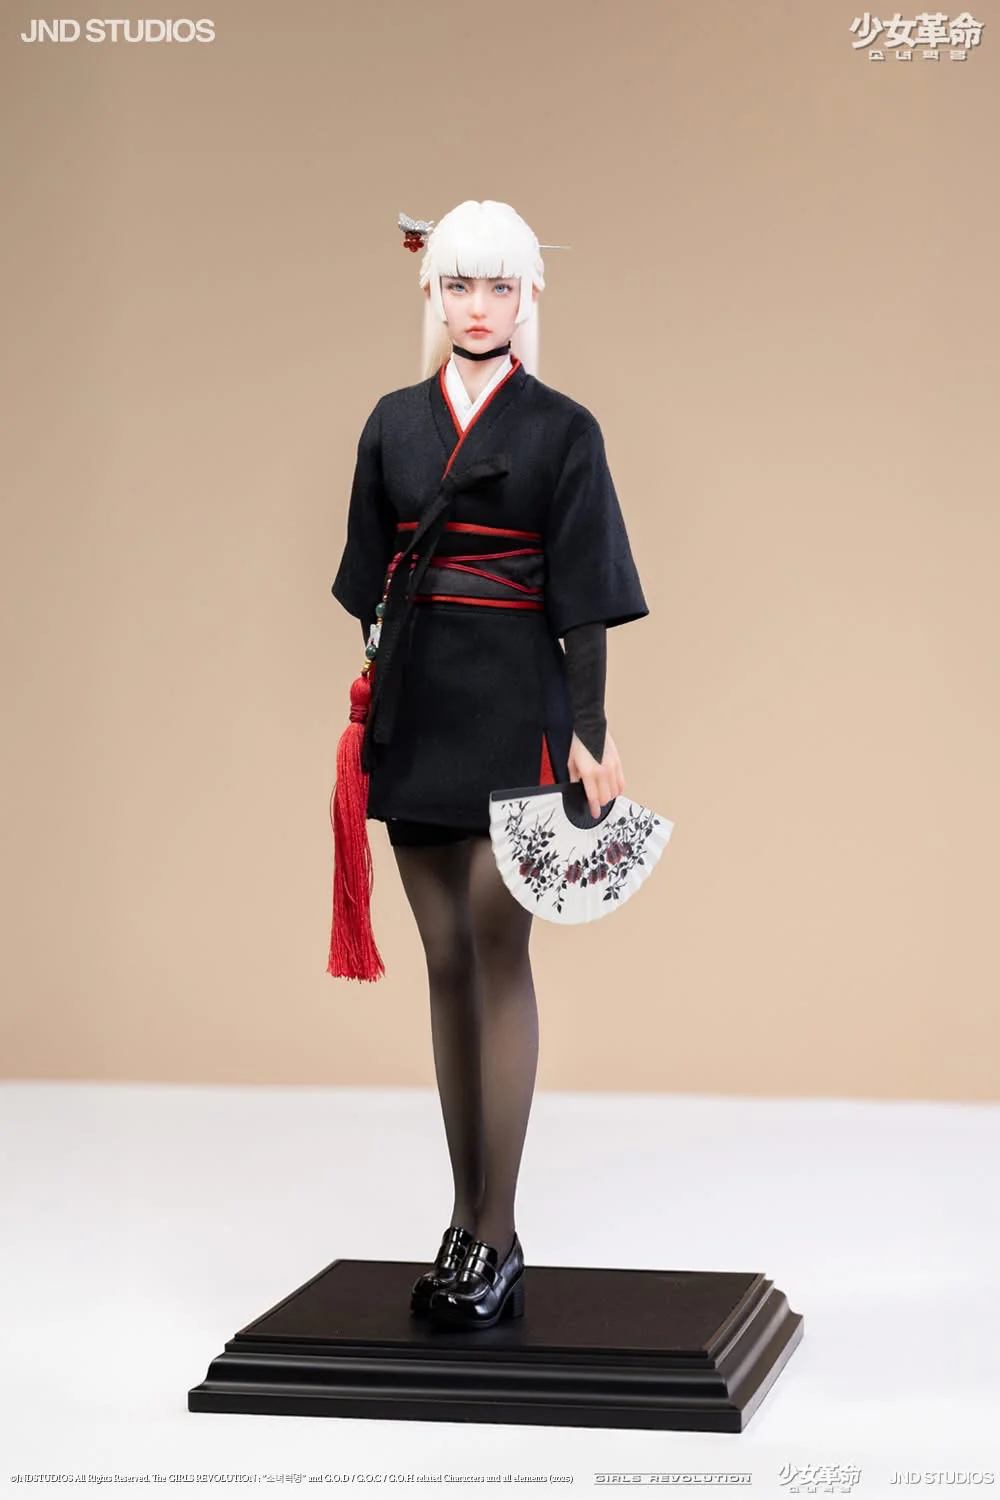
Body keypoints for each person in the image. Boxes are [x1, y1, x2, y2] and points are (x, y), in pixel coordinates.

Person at [328, 199, 648, 1328]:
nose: (478, 306)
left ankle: (495, 1232)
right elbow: (367, 579)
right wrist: (376, 687)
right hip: (418, 709)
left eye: (498, 286)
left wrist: (590, 729)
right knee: (444, 962)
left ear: (527, 297)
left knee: (496, 949)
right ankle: (463, 1220)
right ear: (432, 292)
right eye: (459, 285)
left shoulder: (564, 429)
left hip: (520, 707)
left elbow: (585, 599)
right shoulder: (392, 423)